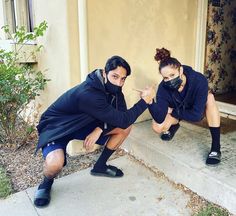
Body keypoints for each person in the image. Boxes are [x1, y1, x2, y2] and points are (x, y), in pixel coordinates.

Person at [33, 55, 154, 208]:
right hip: (58, 127)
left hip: (82, 124)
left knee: (125, 128)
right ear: (104, 72)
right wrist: (146, 101)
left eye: (123, 79)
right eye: (115, 77)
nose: (119, 83)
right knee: (55, 164)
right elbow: (123, 118)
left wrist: (100, 128)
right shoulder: (89, 93)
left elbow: (122, 118)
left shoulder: (115, 91)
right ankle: (46, 183)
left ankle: (100, 166)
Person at [148, 48, 221, 166]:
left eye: (172, 75)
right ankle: (174, 125)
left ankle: (216, 147)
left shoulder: (198, 80)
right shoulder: (163, 87)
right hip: (178, 110)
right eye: (166, 78)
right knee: (157, 127)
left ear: (180, 70)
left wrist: (172, 111)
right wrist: (150, 101)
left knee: (210, 98)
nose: (170, 80)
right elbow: (159, 117)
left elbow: (197, 116)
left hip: (194, 109)